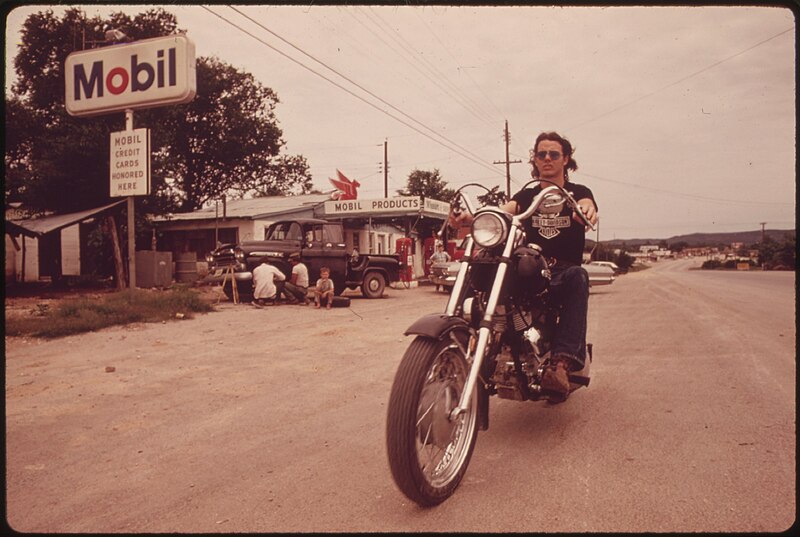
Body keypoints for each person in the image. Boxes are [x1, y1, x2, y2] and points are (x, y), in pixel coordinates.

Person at [450, 131, 598, 402]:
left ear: (566, 159)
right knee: (481, 267)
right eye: (541, 154)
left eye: (554, 154)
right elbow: (503, 211)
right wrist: (470, 218)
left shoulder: (577, 193)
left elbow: (588, 207)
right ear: (535, 159)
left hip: (562, 270)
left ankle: (562, 365)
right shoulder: (527, 194)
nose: (547, 159)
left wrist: (586, 211)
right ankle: (457, 339)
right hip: (528, 264)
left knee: (579, 276)